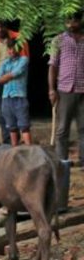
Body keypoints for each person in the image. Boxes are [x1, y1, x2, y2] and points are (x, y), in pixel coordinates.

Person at [50, 10, 84, 166]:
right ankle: (61, 162)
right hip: (65, 90)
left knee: (83, 128)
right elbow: (53, 66)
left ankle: (83, 161)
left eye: (74, 21)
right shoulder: (58, 40)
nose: (71, 24)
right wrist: (52, 89)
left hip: (83, 90)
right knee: (63, 129)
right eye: (68, 21)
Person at [0, 20, 27, 144]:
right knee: (2, 111)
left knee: (19, 110)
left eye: (1, 27)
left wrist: (3, 78)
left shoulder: (17, 39)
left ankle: (21, 141)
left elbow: (23, 59)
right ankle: (7, 141)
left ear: (6, 27)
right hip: (0, 81)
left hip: (16, 80)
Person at [0, 38, 31, 145]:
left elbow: (16, 72)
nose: (12, 51)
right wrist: (4, 78)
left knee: (24, 126)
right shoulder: (5, 62)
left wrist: (3, 78)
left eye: (14, 49)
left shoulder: (24, 59)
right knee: (11, 127)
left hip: (19, 96)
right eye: (10, 49)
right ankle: (14, 149)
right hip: (6, 97)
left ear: (19, 49)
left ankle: (29, 151)